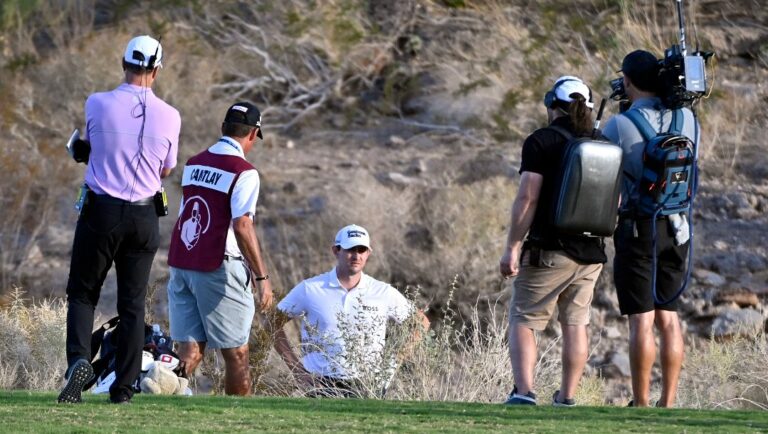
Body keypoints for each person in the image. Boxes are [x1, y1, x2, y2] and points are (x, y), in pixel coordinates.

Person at [58, 35, 180, 404]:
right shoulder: (171, 115)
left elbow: (94, 146)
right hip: (145, 216)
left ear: (122, 63)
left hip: (102, 210)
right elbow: (167, 168)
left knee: (83, 292)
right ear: (157, 71)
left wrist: (84, 154)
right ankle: (123, 389)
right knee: (132, 304)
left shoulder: (96, 103)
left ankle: (79, 361)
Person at [498, 76, 607, 406]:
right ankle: (567, 397)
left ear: (552, 106)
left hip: (548, 250)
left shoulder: (540, 141)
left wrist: (512, 246)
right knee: (576, 324)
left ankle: (524, 392)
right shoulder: (602, 142)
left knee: (525, 318)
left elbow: (528, 198)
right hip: (592, 253)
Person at [602, 50, 698, 408]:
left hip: (638, 227)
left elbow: (602, 175)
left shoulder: (619, 125)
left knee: (641, 321)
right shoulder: (688, 118)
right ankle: (668, 402)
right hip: (678, 229)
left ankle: (641, 403)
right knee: (669, 318)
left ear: (627, 82)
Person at [166, 102, 273, 396]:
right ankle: (237, 422)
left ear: (223, 128)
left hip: (182, 261)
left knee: (190, 350)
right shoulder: (245, 172)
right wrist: (262, 278)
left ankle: (159, 408)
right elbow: (242, 225)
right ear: (253, 134)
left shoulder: (194, 163)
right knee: (236, 353)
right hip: (217, 266)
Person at [274, 224, 430, 398]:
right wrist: (297, 371)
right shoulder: (310, 289)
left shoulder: (382, 291)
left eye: (361, 250)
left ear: (368, 253)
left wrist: (393, 362)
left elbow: (421, 323)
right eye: (350, 250)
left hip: (369, 384)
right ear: (336, 251)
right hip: (319, 384)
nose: (356, 256)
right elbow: (271, 325)